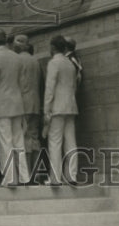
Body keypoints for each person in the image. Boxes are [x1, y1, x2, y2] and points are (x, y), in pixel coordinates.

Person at [0, 29, 28, 188]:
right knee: (19, 141)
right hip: (17, 103)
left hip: (1, 104)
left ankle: (10, 178)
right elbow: (22, 83)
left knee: (5, 142)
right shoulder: (17, 58)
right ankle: (24, 176)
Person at [43, 34, 79, 186]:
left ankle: (55, 178)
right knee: (70, 141)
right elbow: (74, 86)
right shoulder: (70, 63)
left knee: (55, 142)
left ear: (52, 47)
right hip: (70, 106)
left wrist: (46, 110)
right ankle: (72, 176)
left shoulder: (53, 63)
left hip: (57, 107)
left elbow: (49, 88)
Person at [13, 33, 43, 184]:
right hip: (35, 103)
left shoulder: (17, 60)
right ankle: (36, 173)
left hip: (22, 104)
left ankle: (25, 175)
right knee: (34, 138)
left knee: (23, 138)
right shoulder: (35, 61)